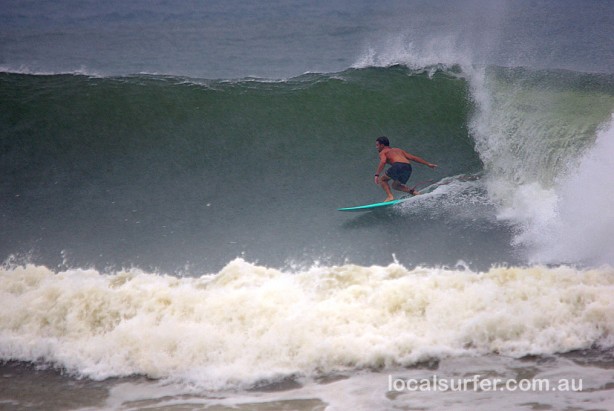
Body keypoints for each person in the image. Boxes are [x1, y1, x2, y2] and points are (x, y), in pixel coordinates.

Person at [374, 136, 437, 202]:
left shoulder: (383, 152)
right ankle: (416, 193)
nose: (376, 147)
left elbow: (383, 161)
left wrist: (377, 175)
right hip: (408, 167)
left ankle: (390, 196)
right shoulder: (398, 150)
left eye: (377, 145)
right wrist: (428, 164)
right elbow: (413, 158)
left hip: (398, 166)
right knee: (395, 185)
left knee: (382, 180)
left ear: (382, 145)